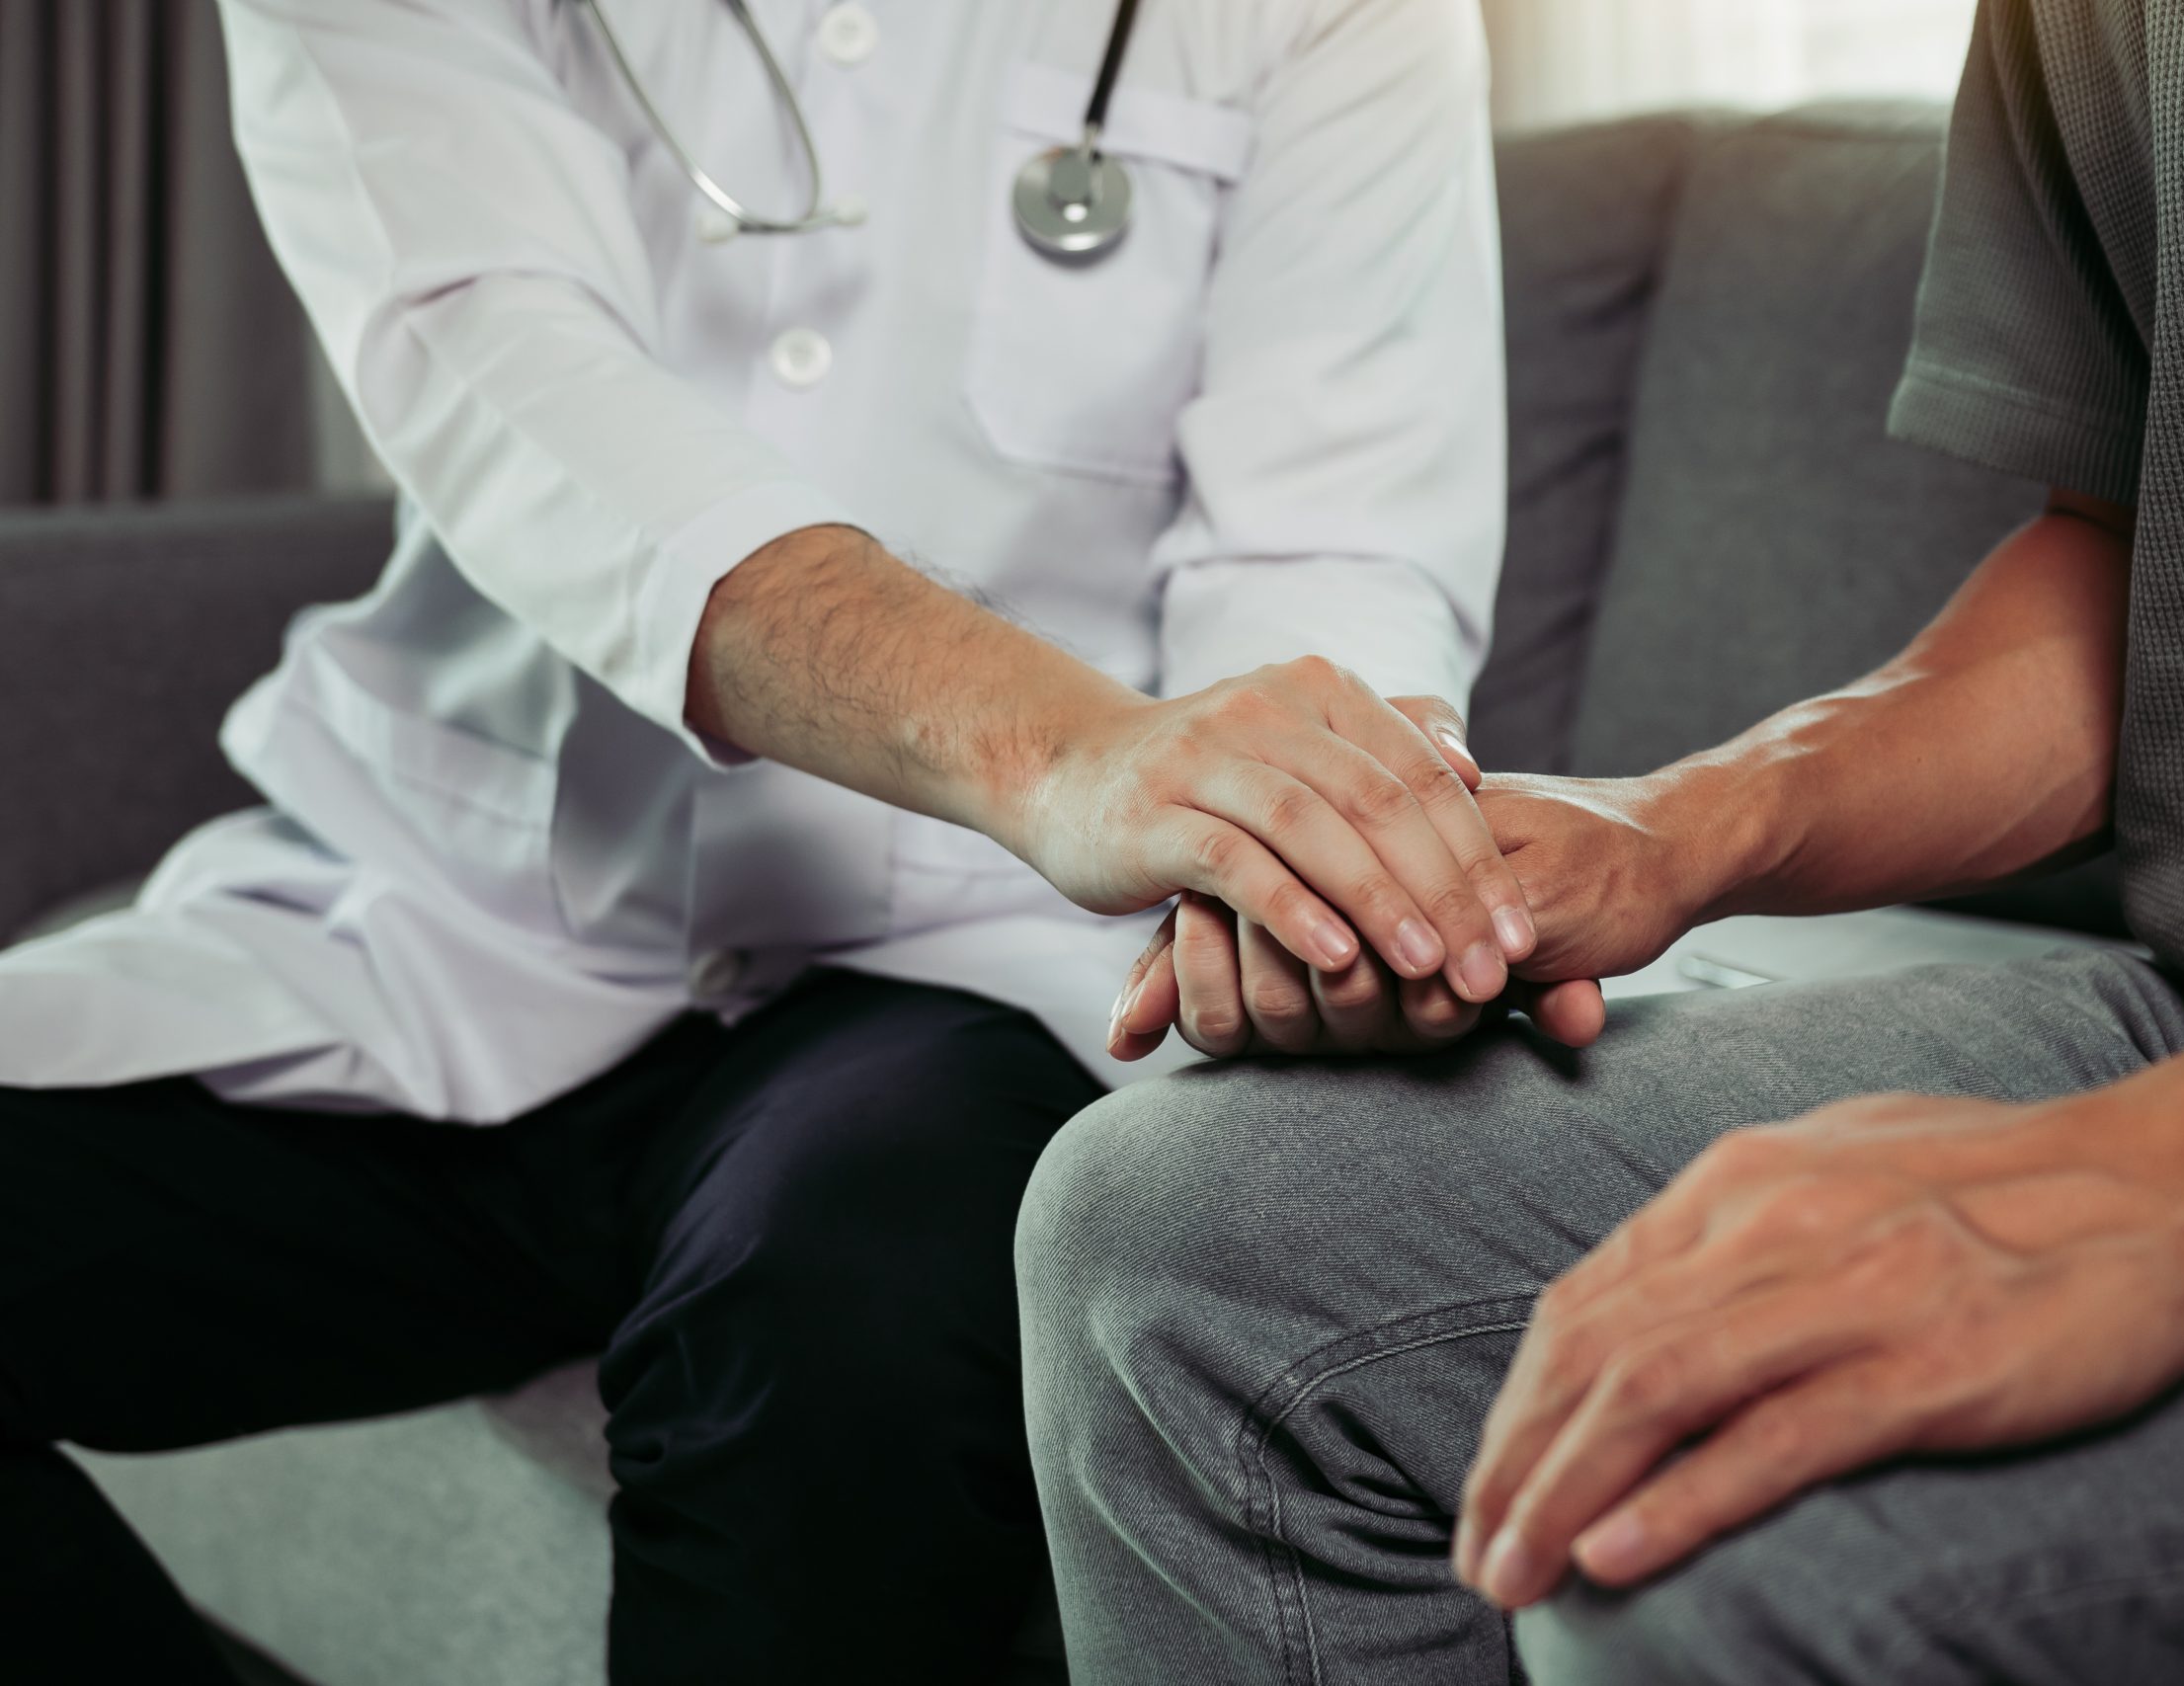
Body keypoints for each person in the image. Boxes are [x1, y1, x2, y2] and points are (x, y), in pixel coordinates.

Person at [0, 1, 1534, 1681]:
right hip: (458, 916)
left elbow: (1333, 546)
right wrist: (1069, 750)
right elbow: (512, 374)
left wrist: (1336, 872)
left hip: (977, 966)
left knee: (844, 1323)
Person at [1018, 0, 2184, 1679]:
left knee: (1715, 1532)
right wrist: (1678, 830)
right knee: (1179, 1238)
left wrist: (2169, 1180)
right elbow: (2145, 580)